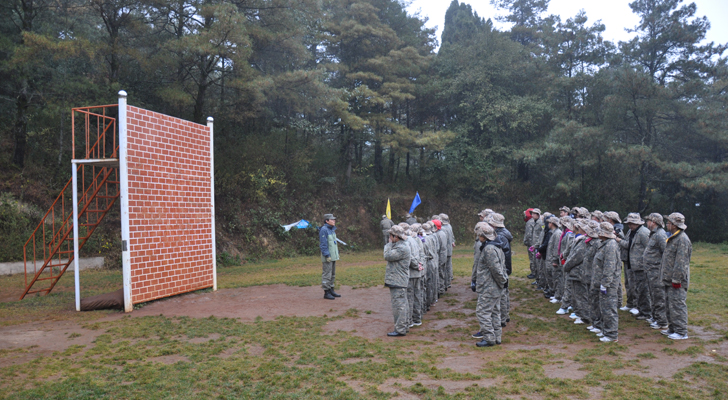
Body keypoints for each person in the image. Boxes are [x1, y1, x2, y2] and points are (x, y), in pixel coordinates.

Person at [471, 224, 508, 347]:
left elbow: (496, 269)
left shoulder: (489, 249)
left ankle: (489, 337)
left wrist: (502, 281)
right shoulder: (495, 246)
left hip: (489, 285)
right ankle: (497, 336)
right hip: (493, 285)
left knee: (482, 312)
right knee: (494, 312)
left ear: (483, 236)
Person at [660, 212, 692, 340]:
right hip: (669, 279)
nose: (667, 224)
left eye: (669, 222)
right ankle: (672, 328)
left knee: (677, 305)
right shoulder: (674, 237)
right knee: (669, 305)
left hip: (676, 280)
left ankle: (681, 331)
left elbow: (681, 262)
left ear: (674, 225)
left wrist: (676, 279)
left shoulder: (682, 240)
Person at [616, 213, 651, 320]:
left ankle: (646, 312)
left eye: (632, 223)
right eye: (629, 223)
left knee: (643, 290)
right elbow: (629, 244)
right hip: (634, 264)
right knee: (637, 288)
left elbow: (648, 249)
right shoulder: (632, 231)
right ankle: (641, 310)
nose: (630, 225)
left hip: (641, 266)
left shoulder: (643, 233)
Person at [594, 222, 621, 342]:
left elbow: (609, 267)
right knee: (604, 307)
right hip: (604, 281)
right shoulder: (605, 243)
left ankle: (611, 334)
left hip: (609, 283)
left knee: (609, 308)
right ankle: (606, 331)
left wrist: (605, 283)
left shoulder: (610, 245)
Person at [384, 225, 411, 337]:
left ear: (396, 237)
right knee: (402, 304)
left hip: (398, 280)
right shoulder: (401, 246)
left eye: (391, 235)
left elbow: (387, 255)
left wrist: (388, 244)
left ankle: (400, 329)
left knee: (399, 305)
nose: (389, 238)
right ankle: (404, 326)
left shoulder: (401, 248)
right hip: (398, 280)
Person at [642, 213, 668, 330]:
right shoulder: (654, 234)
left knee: (659, 296)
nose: (647, 223)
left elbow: (665, 253)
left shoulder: (660, 235)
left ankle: (662, 321)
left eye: (648, 221)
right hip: (650, 271)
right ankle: (655, 316)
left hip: (656, 271)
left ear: (653, 222)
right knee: (653, 295)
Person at [319, 213, 340, 300]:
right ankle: (326, 292)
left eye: (334, 219)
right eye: (332, 219)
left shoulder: (332, 229)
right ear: (326, 221)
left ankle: (331, 289)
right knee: (327, 274)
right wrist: (327, 255)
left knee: (332, 274)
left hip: (333, 256)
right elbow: (323, 244)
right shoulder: (324, 230)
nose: (334, 221)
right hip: (328, 256)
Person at [422, 222, 440, 310]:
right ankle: (433, 299)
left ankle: (427, 303)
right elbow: (437, 248)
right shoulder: (434, 236)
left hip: (428, 261)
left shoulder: (424, 240)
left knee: (428, 283)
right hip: (434, 259)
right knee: (433, 281)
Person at [433, 218, 449, 297]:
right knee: (442, 272)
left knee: (439, 272)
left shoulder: (438, 234)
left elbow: (437, 248)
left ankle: (440, 289)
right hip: (443, 255)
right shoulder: (442, 233)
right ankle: (442, 288)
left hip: (440, 255)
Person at [440, 213, 456, 290]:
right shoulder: (449, 226)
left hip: (445, 250)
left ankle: (446, 283)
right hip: (449, 249)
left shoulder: (443, 229)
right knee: (449, 265)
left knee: (445, 267)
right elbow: (452, 236)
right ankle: (449, 280)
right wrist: (453, 241)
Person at [524, 208, 538, 279]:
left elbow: (529, 235)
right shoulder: (535, 221)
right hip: (535, 243)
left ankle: (533, 273)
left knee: (532, 258)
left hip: (531, 244)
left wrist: (528, 243)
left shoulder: (529, 222)